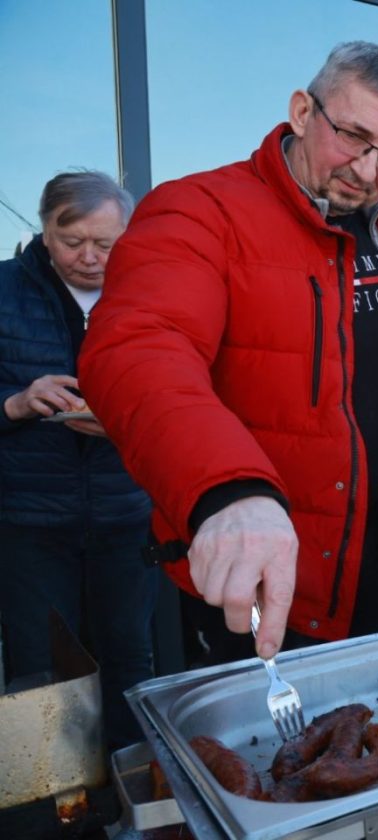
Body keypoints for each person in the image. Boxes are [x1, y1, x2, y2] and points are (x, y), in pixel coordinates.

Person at [80, 42, 378, 664]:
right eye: (353, 136)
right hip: (256, 558)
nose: (368, 168)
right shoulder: (199, 210)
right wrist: (226, 490)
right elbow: (139, 348)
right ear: (302, 111)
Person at [0, 171, 155, 750]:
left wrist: (129, 416)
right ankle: (56, 811)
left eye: (106, 244)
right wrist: (15, 403)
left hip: (124, 515)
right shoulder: (3, 290)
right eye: (72, 242)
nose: (89, 259)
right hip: (30, 523)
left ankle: (132, 794)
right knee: (41, 673)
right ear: (44, 231)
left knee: (129, 661)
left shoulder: (147, 295)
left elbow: (188, 389)